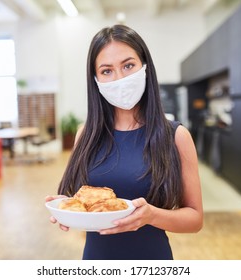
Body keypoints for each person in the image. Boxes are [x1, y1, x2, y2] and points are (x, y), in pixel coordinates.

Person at [46, 24, 203, 260]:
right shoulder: (86, 134)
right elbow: (83, 199)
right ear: (96, 79)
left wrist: (151, 216)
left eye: (128, 66)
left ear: (145, 67)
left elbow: (195, 219)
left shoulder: (175, 136)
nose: (119, 78)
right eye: (107, 71)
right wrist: (68, 207)